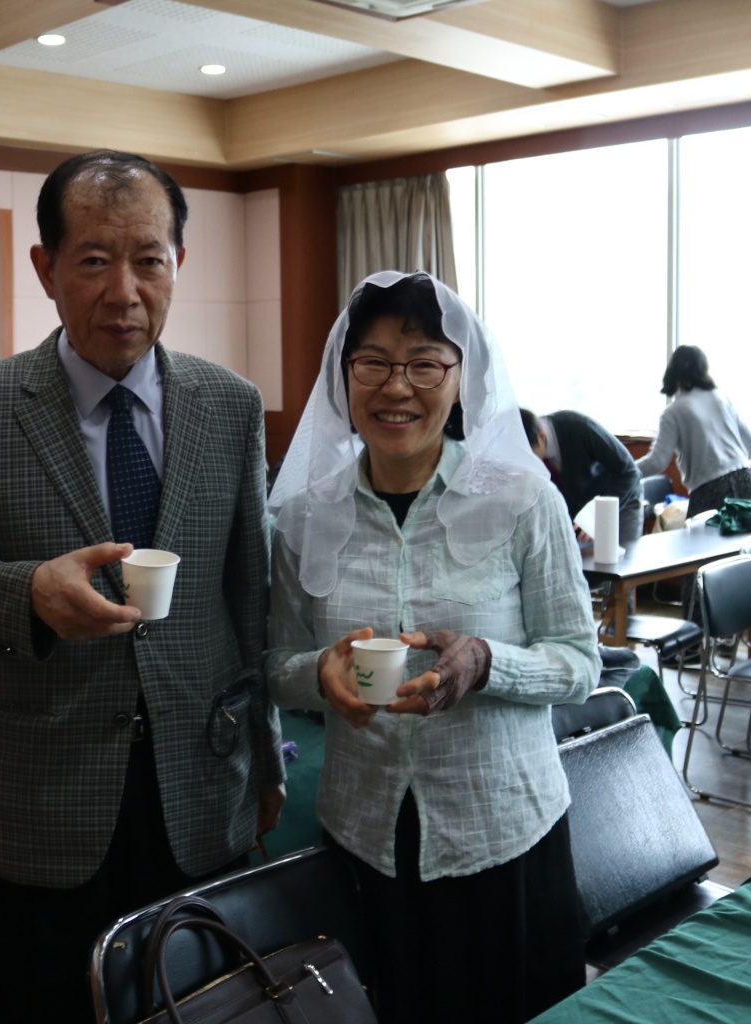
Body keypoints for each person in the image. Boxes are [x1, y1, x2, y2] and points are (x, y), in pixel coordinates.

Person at [0, 150, 285, 1019]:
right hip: (40, 801)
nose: (124, 292)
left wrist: (264, 755)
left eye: (149, 260)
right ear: (46, 268)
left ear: (179, 263)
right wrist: (27, 593)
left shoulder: (231, 405)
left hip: (200, 785)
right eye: (95, 260)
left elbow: (249, 598)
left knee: (204, 1007)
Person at [266, 270, 600, 1024]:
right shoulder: (304, 517)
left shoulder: (522, 500)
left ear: (461, 378)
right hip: (364, 834)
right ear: (344, 375)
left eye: (424, 363)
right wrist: (320, 674)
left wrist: (486, 662)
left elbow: (580, 662)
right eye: (374, 363)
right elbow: (276, 667)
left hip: (503, 830)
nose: (397, 387)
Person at [636, 345, 751, 517]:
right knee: (742, 533)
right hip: (743, 480)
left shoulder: (674, 412)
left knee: (703, 535)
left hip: (710, 488)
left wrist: (627, 471)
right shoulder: (720, 398)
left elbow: (657, 461)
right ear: (703, 368)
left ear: (673, 371)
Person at [521, 407, 644, 546]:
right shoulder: (524, 449)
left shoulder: (579, 426)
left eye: (531, 455)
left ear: (542, 436)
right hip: (579, 516)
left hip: (619, 501)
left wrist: (599, 515)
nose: (527, 462)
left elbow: (629, 471)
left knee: (620, 556)